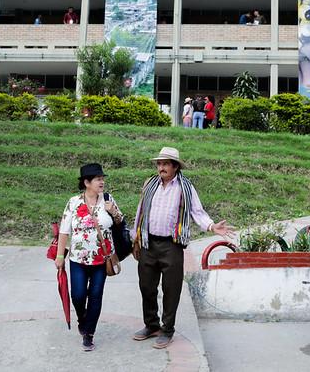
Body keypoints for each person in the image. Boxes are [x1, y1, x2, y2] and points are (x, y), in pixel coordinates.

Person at [132, 147, 234, 349]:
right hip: (148, 244)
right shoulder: (150, 184)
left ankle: (167, 329)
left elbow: (198, 212)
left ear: (175, 167)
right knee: (147, 287)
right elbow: (140, 210)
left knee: (171, 290)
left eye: (165, 164)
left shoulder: (186, 187)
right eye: (159, 164)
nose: (161, 167)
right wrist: (135, 238)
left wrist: (212, 226)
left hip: (172, 245)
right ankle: (151, 325)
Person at [55, 163, 124, 351]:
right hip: (78, 259)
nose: (102, 182)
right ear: (87, 182)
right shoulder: (73, 202)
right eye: (98, 179)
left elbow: (120, 222)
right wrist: (60, 255)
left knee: (95, 295)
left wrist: (113, 212)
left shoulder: (108, 200)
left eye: (103, 178)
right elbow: (63, 231)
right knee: (78, 295)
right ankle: (82, 318)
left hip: (103, 259)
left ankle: (89, 333)